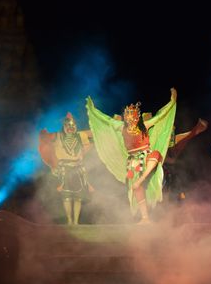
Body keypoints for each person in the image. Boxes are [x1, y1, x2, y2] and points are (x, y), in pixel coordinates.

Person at [86, 88, 177, 223]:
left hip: (146, 156)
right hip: (133, 161)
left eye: (133, 117)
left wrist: (172, 102)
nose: (131, 120)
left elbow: (160, 117)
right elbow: (106, 119)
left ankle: (142, 180)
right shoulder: (121, 127)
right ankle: (145, 217)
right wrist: (93, 111)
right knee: (137, 188)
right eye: (128, 117)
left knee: (155, 155)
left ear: (136, 117)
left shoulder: (144, 126)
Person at [38, 112, 93, 225]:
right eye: (68, 125)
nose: (71, 128)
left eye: (73, 126)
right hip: (64, 168)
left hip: (77, 167)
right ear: (64, 126)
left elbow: (92, 133)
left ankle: (76, 221)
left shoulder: (80, 135)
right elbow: (45, 138)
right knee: (67, 196)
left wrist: (105, 125)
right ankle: (69, 220)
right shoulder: (58, 136)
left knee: (78, 197)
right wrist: (43, 132)